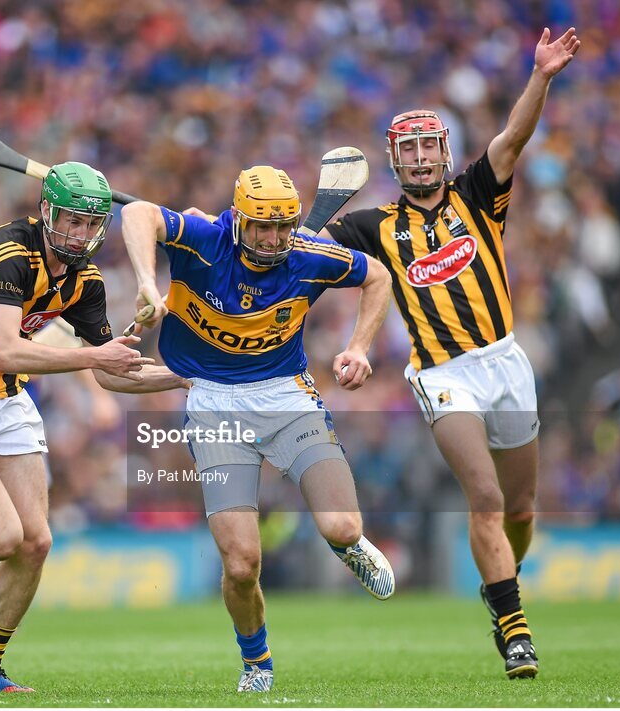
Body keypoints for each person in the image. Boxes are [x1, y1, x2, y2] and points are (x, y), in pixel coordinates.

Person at [322, 27, 581, 680]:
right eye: (406, 150)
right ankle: (514, 630)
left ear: (443, 152)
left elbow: (513, 137)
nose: (417, 159)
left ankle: (499, 581)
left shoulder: (477, 193)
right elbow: (299, 248)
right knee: (486, 496)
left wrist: (540, 77)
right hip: (442, 375)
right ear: (393, 159)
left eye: (426, 147)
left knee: (519, 509)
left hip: (504, 360)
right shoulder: (372, 225)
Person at [0, 161, 188, 692]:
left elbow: (114, 374)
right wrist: (94, 357)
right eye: (70, 221)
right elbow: (8, 351)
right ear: (46, 213)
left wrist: (190, 377)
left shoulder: (86, 282)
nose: (79, 233)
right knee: (3, 539)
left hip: (4, 400)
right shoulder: (10, 253)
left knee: (35, 543)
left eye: (90, 223)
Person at [121, 165, 395, 693]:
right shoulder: (205, 240)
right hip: (213, 403)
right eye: (261, 228)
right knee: (243, 563)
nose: (273, 240)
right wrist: (146, 284)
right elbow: (136, 213)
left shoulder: (310, 255)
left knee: (342, 527)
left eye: (283, 227)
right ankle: (257, 662)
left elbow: (378, 276)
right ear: (239, 220)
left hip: (285, 396)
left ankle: (351, 547)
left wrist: (359, 346)